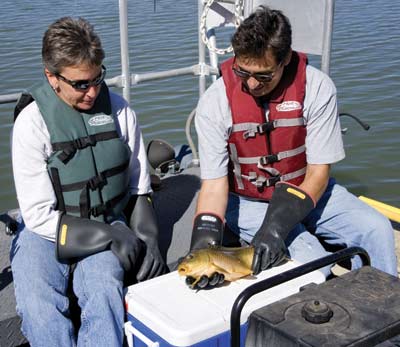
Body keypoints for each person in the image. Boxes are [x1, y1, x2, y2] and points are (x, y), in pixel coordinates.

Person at [187, 6, 397, 289]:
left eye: (262, 76)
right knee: (314, 260)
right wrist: (205, 243)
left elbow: (319, 173)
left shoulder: (317, 87)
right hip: (250, 201)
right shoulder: (215, 102)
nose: (250, 83)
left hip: (310, 191)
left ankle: (383, 312)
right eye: (242, 71)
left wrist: (276, 228)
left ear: (285, 59)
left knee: (377, 229)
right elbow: (213, 187)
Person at [11, 17, 167, 346]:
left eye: (98, 78)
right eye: (81, 84)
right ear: (51, 77)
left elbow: (139, 185)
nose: (93, 92)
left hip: (105, 217)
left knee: (104, 290)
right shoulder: (31, 124)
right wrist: (109, 236)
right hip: (45, 232)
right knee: (38, 305)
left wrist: (149, 237)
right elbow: (38, 216)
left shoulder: (121, 111)